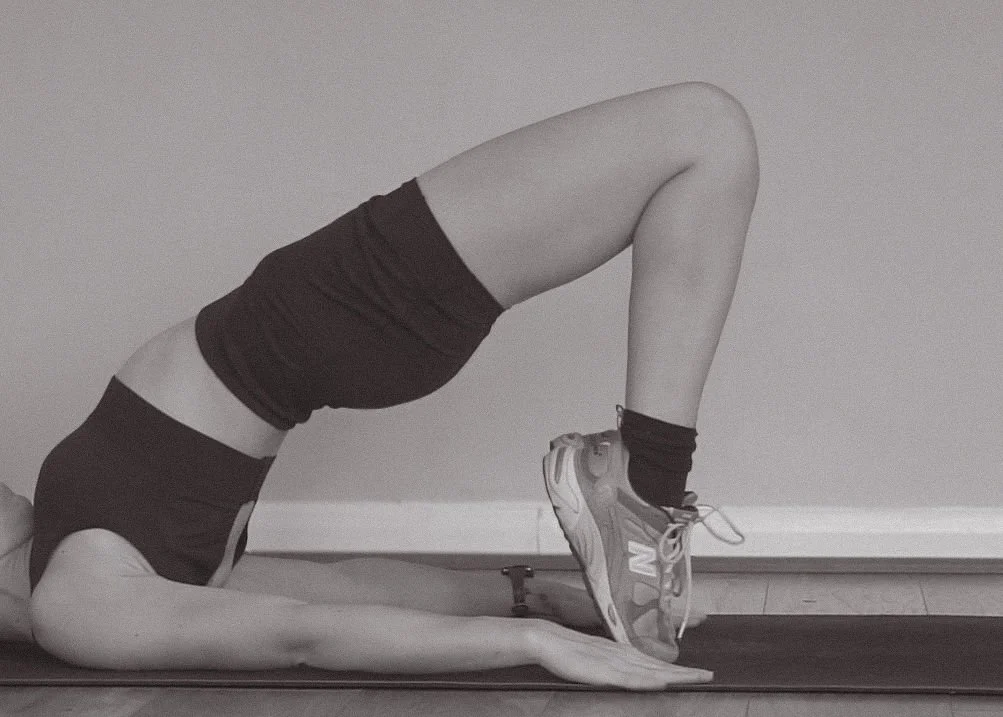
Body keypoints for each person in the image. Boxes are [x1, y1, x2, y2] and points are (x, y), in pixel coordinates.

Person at [24, 81, 758, 690]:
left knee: (703, 141)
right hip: (315, 320)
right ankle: (647, 484)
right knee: (704, 133)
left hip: (321, 341)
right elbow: (301, 632)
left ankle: (647, 484)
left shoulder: (96, 569)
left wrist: (524, 596)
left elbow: (338, 587)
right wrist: (532, 642)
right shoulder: (77, 605)